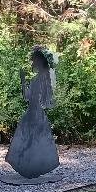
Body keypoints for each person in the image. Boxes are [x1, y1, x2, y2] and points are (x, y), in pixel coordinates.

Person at [5, 46, 60, 178]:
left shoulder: (45, 77)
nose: (32, 63)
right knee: (26, 140)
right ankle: (27, 168)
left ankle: (33, 168)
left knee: (34, 141)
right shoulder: (37, 78)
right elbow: (28, 97)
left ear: (39, 61)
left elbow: (47, 97)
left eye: (34, 60)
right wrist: (23, 81)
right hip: (31, 112)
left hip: (37, 114)